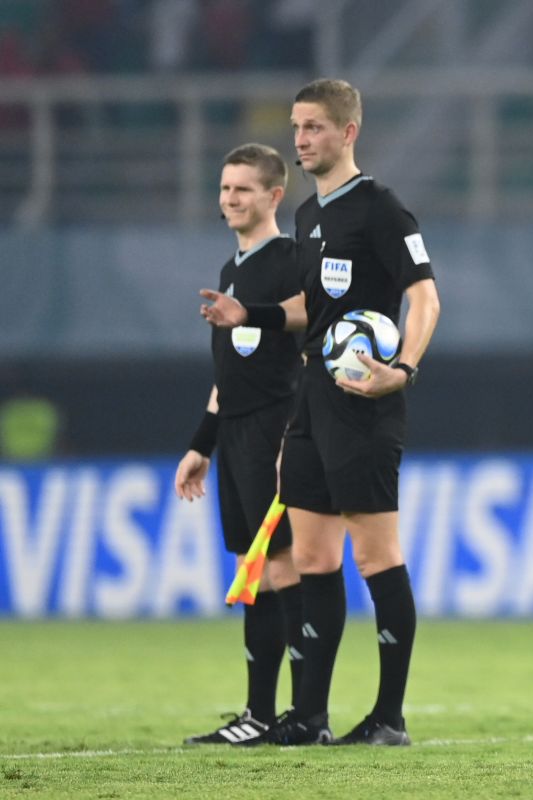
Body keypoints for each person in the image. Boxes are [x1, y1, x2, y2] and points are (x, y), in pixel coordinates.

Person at [199, 78, 441, 746]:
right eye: (297, 127)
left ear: (347, 131)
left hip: (366, 403)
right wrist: (252, 314)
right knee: (310, 554)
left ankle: (388, 717)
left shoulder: (382, 210)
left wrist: (403, 370)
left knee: (375, 555)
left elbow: (425, 299)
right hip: (311, 401)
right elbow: (314, 308)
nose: (301, 139)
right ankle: (309, 715)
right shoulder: (309, 215)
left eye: (313, 127)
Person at [175, 142, 304, 745]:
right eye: (225, 189)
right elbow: (228, 377)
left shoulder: (290, 260)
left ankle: (300, 713)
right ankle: (258, 712)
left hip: (274, 429)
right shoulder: (233, 270)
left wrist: (291, 438)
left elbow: (308, 325)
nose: (229, 199)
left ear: (274, 195)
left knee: (280, 566)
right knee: (254, 570)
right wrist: (203, 443)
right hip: (234, 434)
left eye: (242, 189)